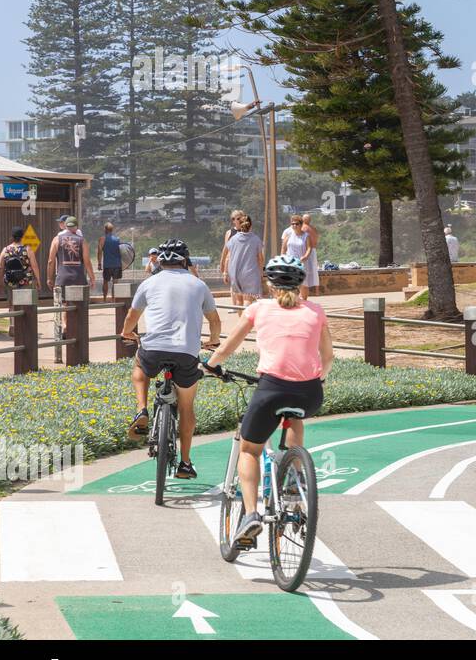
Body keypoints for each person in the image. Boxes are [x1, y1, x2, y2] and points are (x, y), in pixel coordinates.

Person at [204, 256, 333, 547]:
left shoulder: (258, 308)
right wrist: (319, 379)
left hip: (271, 388)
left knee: (249, 450)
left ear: (269, 283)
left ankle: (251, 516)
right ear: (300, 284)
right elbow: (328, 358)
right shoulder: (316, 311)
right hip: (310, 392)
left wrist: (210, 365)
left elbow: (228, 346)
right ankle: (293, 478)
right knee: (295, 416)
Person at [120, 240, 222, 478]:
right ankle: (185, 463)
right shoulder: (199, 285)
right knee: (187, 406)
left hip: (153, 349)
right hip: (186, 352)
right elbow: (215, 322)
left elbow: (131, 316)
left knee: (140, 367)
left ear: (161, 261)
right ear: (185, 261)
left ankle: (141, 409)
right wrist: (213, 341)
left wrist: (127, 333)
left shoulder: (149, 282)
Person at [46, 216, 94, 361]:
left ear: (65, 226)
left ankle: (64, 327)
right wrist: (92, 277)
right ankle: (75, 331)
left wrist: (49, 278)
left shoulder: (56, 240)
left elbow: (50, 260)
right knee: (78, 307)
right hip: (78, 277)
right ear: (76, 227)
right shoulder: (81, 240)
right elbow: (86, 260)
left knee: (63, 305)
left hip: (62, 277)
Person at [222, 215, 265, 306]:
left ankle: (241, 319)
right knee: (249, 299)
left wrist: (225, 272)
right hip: (250, 273)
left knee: (239, 300)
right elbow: (260, 258)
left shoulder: (233, 239)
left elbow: (228, 257)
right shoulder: (256, 239)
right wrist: (261, 272)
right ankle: (246, 320)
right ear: (251, 225)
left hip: (235, 273)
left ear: (240, 225)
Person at [281, 215, 320, 300]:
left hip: (301, 263)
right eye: (293, 224)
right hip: (290, 263)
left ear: (301, 224)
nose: (294, 225)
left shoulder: (306, 236)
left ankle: (304, 302)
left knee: (303, 284)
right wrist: (282, 260)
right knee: (292, 284)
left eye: (297, 224)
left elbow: (309, 248)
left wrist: (305, 256)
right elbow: (283, 249)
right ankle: (293, 302)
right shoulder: (288, 236)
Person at [0, 226, 40, 292]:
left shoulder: (5, 250)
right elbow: (34, 266)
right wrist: (38, 280)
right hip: (26, 281)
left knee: (12, 301)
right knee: (26, 301)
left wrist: (1, 282)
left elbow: (1, 267)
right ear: (22, 237)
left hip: (10, 282)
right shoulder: (27, 249)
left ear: (12, 237)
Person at [98, 222, 123, 301]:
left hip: (107, 265)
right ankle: (113, 300)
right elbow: (122, 251)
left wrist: (99, 263)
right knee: (115, 283)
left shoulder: (102, 239)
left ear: (105, 229)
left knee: (105, 282)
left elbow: (99, 252)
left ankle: (105, 299)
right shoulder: (118, 239)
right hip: (117, 264)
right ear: (112, 230)